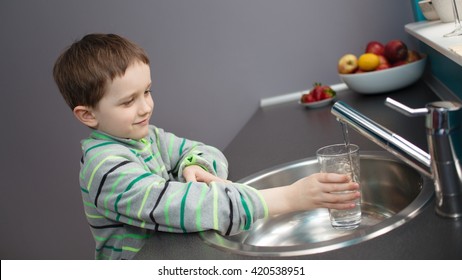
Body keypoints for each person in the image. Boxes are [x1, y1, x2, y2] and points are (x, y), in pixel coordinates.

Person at [53, 33, 360, 260]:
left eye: (147, 91)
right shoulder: (105, 168)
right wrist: (289, 197)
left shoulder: (147, 138)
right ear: (87, 115)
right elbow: (183, 207)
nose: (146, 107)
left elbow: (206, 150)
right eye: (128, 101)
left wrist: (193, 165)